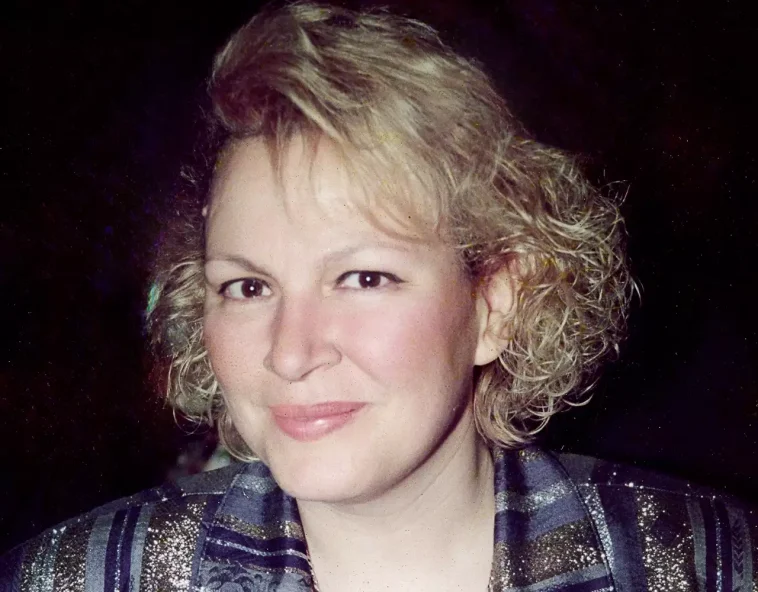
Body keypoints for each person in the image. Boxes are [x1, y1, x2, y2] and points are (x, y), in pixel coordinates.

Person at [2, 2, 755, 591]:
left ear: (495, 302)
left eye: (363, 278)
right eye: (248, 286)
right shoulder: (76, 578)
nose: (290, 353)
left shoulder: (708, 564)